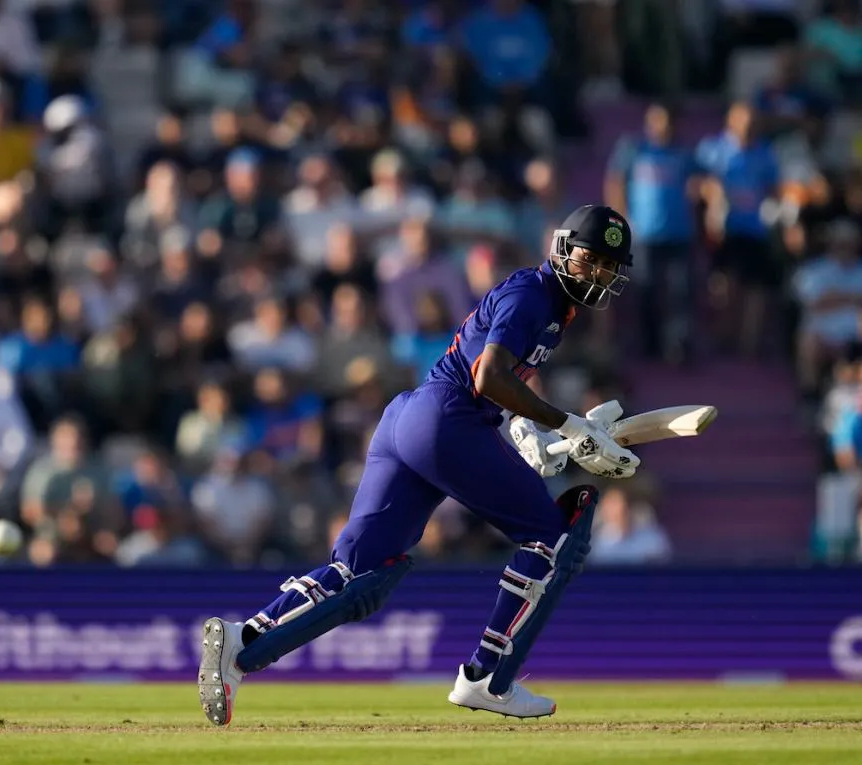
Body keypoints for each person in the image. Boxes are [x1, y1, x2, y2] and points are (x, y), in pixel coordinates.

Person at [197, 205, 640, 726]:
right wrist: (567, 425)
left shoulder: (547, 305)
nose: (598, 275)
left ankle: (241, 643)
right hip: (447, 419)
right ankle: (488, 678)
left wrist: (528, 431)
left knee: (361, 574)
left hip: (411, 419)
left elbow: (495, 377)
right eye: (591, 261)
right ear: (563, 250)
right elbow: (488, 378)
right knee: (554, 539)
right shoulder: (533, 295)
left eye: (608, 268)